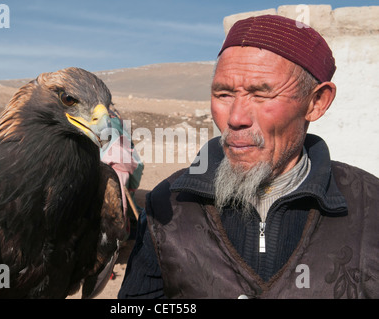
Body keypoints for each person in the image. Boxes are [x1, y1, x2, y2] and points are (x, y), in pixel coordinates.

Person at [118, 15, 379, 299]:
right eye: (224, 94)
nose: (236, 118)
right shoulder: (168, 202)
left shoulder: (370, 207)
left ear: (316, 103)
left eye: (261, 94)